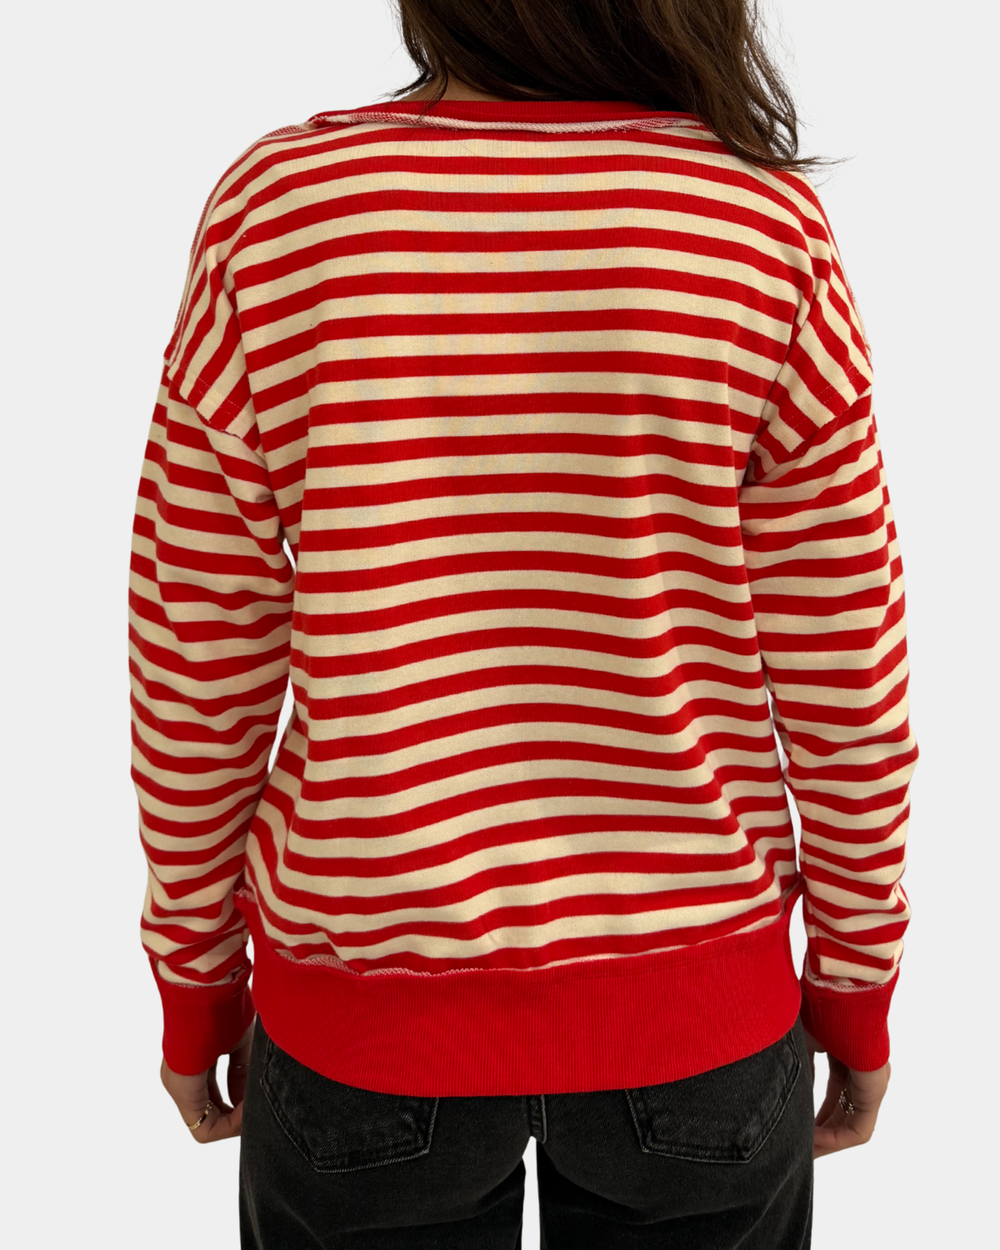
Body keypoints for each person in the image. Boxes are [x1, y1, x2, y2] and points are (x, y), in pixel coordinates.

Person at [129, 1, 918, 1245]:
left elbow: (195, 650)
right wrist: (855, 983)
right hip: (699, 1023)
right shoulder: (757, 227)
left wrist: (195, 978)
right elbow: (847, 674)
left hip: (362, 1024)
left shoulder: (282, 212)